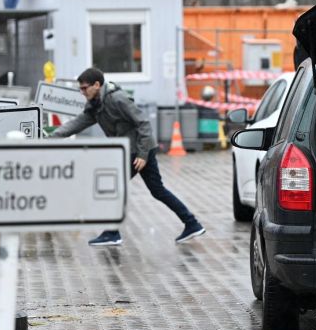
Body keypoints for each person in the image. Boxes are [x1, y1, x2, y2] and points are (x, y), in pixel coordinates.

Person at [52, 67, 205, 246]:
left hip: (137, 150)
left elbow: (144, 123)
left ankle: (112, 232)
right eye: (80, 89)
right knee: (157, 190)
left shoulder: (117, 99)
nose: (82, 92)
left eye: (84, 88)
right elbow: (78, 123)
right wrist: (51, 138)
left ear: (96, 85)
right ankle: (192, 223)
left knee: (111, 187)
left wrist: (142, 154)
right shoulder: (95, 104)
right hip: (130, 150)